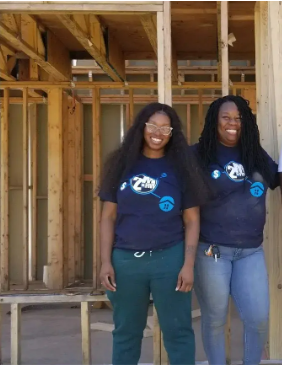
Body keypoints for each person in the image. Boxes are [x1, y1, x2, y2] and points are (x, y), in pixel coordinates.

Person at [99, 102, 211, 365]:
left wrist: (188, 265)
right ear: (142, 127)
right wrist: (105, 261)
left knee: (178, 331)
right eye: (152, 125)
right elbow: (108, 216)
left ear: (172, 133)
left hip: (169, 260)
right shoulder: (120, 164)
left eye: (165, 127)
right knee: (126, 332)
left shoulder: (182, 168)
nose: (158, 132)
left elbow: (193, 220)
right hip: (126, 261)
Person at [193, 95, 280, 365]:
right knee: (216, 319)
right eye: (226, 117)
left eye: (239, 118)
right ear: (214, 121)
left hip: (250, 252)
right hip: (211, 251)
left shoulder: (255, 154)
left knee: (258, 318)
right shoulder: (196, 154)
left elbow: (277, 179)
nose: (233, 123)